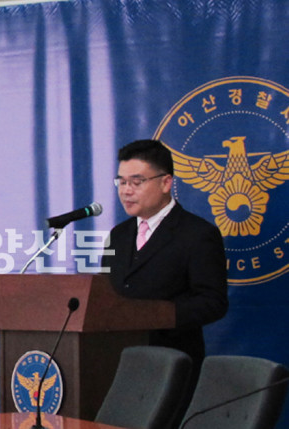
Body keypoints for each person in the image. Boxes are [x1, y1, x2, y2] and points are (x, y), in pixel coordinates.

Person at [101, 139, 228, 423]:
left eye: (137, 182)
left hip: (173, 369)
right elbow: (105, 295)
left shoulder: (198, 234)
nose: (126, 190)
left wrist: (157, 314)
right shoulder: (118, 236)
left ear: (166, 182)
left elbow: (213, 302)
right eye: (121, 181)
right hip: (118, 368)